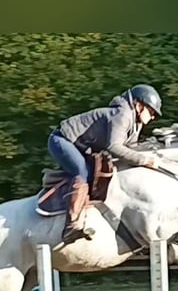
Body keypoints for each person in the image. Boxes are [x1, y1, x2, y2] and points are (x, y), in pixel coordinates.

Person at [47, 84, 163, 243]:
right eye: (151, 111)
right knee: (82, 172)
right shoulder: (122, 115)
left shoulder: (135, 124)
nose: (153, 117)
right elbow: (114, 147)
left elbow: (129, 150)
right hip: (62, 139)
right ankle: (71, 227)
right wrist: (145, 160)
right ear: (138, 105)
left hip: (81, 146)